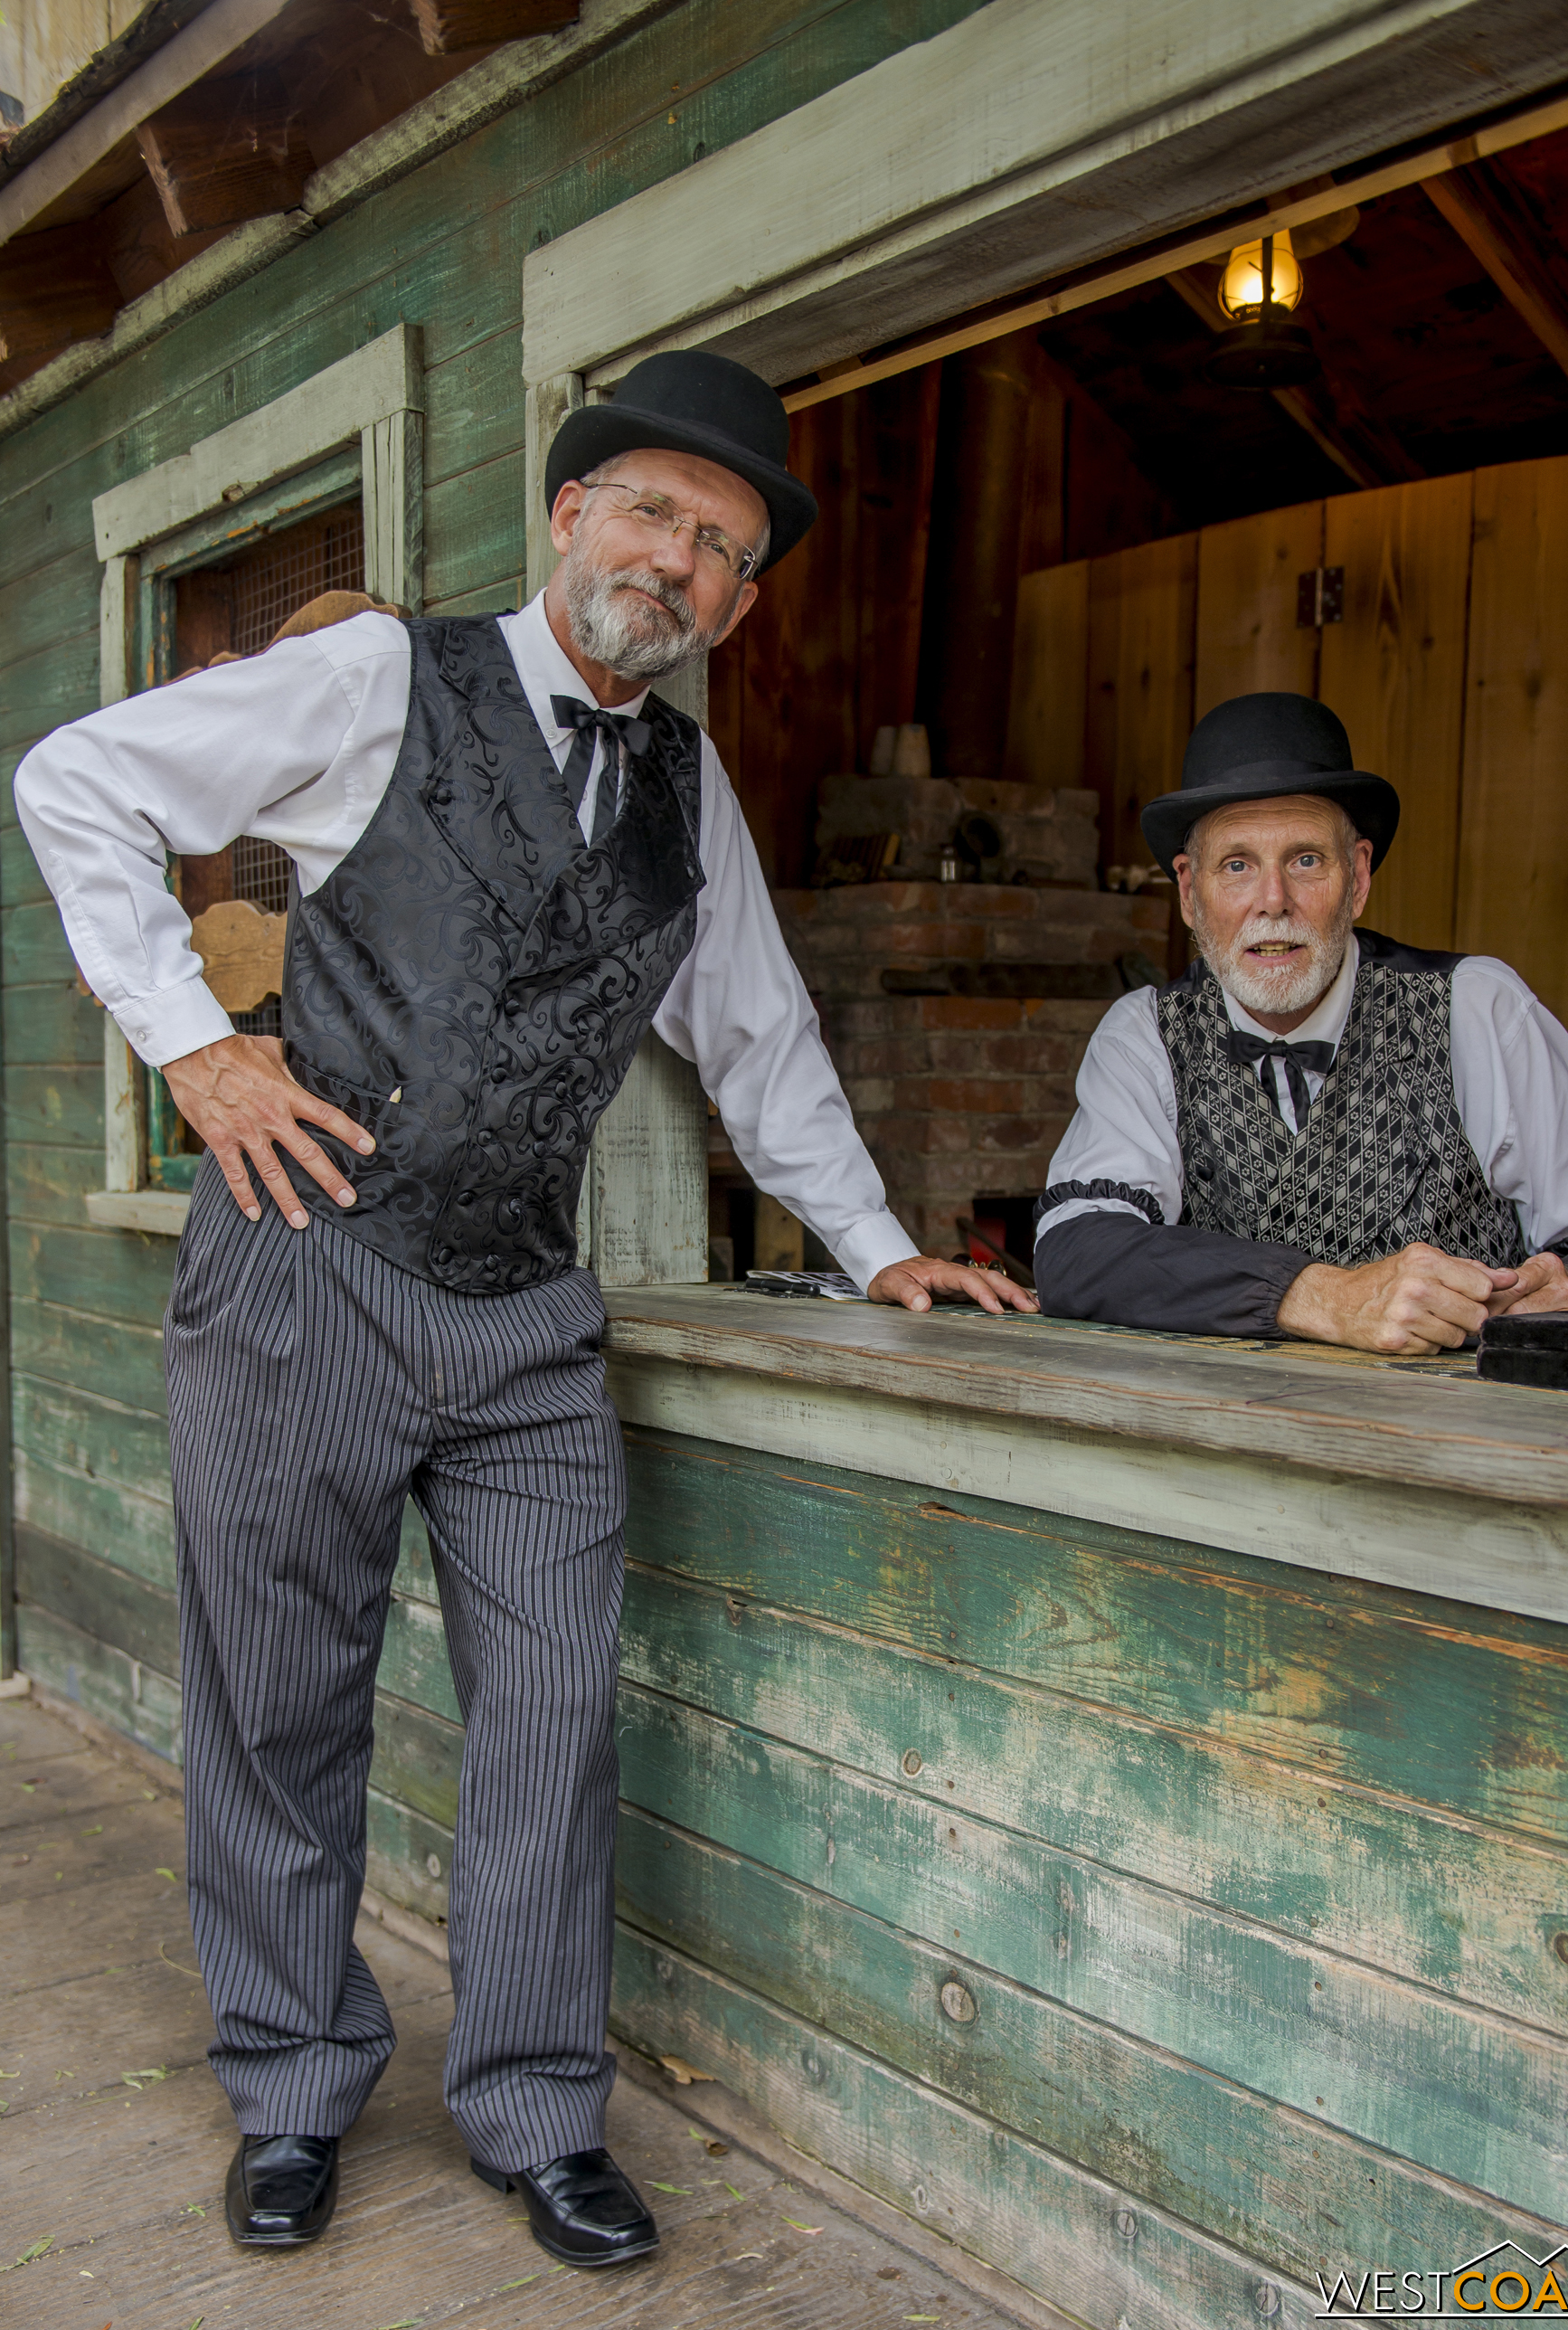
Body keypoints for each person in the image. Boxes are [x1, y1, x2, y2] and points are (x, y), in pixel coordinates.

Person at [14, 349, 1034, 2270]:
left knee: (555, 1717)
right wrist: (197, 1056)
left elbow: (758, 1036)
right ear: (569, 516)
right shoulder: (381, 677)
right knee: (280, 1709)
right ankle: (296, 2083)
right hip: (303, 1268)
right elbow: (76, 781)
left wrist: (876, 1240)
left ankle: (537, 2109)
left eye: (722, 547)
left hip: (525, 1320)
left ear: (736, 603)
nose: (679, 556)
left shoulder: (687, 783)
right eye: (653, 509)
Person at [1034, 692, 1568, 1350]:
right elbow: (1080, 1251)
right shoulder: (1143, 1036)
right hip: (1218, 1429)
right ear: (1190, 893)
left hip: (1458, 1434)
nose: (1273, 903)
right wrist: (1325, 1298)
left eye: (1306, 860)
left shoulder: (1478, 1007)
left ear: (1357, 876)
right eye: (1238, 865)